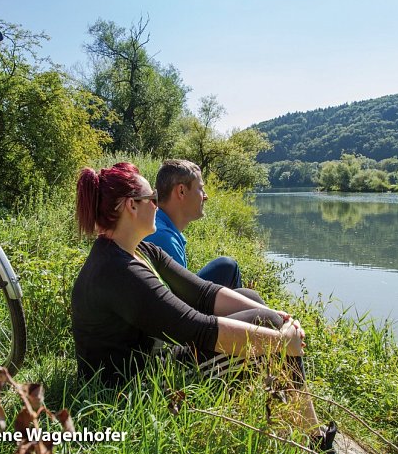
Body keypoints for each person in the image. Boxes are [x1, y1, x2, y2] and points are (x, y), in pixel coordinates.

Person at [71, 162, 336, 452]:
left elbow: (204, 293)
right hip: (137, 385)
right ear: (131, 207)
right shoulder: (118, 271)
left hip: (155, 358)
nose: (158, 207)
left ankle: (288, 413)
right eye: (153, 200)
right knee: (270, 330)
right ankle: (313, 437)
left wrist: (280, 316)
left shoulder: (139, 250)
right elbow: (196, 328)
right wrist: (281, 339)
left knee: (255, 302)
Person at [145, 159, 243, 290]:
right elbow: (178, 303)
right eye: (201, 188)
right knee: (227, 266)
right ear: (181, 191)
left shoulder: (160, 226)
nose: (206, 196)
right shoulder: (163, 237)